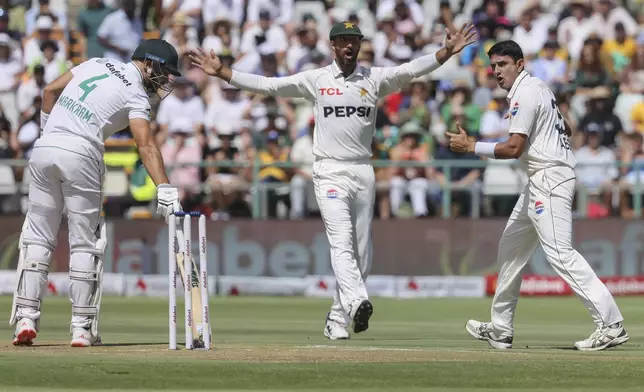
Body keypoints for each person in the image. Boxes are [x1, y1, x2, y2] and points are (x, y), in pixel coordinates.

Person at [190, 21, 476, 339]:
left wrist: (447, 51)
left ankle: (337, 319)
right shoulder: (317, 79)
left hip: (362, 170)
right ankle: (357, 302)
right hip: (329, 170)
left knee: (362, 252)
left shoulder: (374, 77)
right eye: (343, 41)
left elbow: (410, 70)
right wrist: (223, 72)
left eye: (354, 40)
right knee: (341, 242)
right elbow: (269, 85)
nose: (350, 46)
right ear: (333, 46)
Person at [445, 40, 628, 352]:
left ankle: (611, 324)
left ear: (519, 64)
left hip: (550, 179)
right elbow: (566, 127)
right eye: (493, 66)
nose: (496, 72)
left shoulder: (526, 92)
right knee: (511, 247)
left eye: (502, 64)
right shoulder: (537, 88)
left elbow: (513, 149)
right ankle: (501, 328)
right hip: (541, 178)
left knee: (559, 253)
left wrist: (471, 147)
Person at [10, 39, 183, 347]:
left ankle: (25, 318)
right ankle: (82, 328)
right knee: (84, 243)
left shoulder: (96, 63)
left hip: (44, 147)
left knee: (37, 237)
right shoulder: (135, 93)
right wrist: (164, 187)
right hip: (82, 151)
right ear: (148, 63)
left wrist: (47, 133)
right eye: (164, 71)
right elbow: (145, 145)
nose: (165, 80)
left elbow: (49, 91)